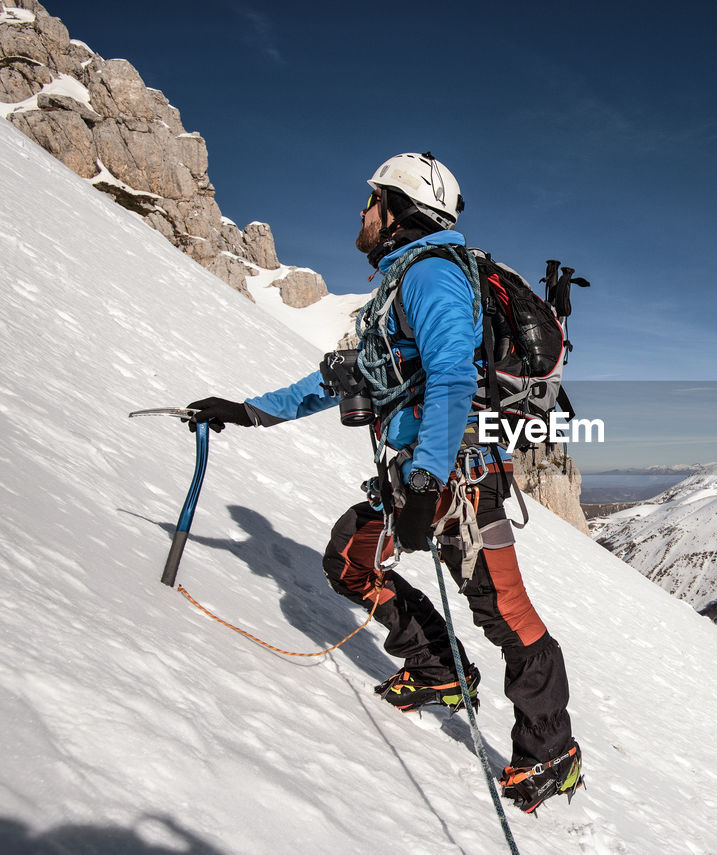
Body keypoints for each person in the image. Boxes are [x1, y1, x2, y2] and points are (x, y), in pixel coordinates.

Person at [185, 152, 582, 814]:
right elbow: (342, 379)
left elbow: (454, 375)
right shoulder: (400, 288)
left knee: (506, 614)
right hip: (418, 480)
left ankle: (552, 751)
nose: (362, 213)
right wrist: (249, 411)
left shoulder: (431, 278)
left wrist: (427, 481)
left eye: (372, 201)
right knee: (349, 558)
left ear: (399, 210)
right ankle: (439, 671)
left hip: (459, 481)